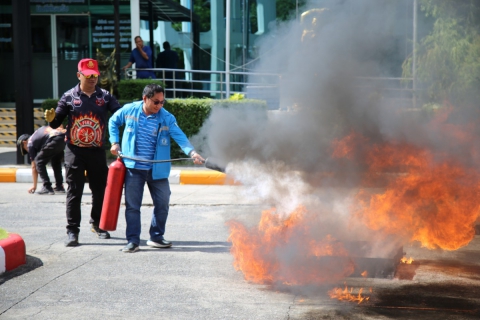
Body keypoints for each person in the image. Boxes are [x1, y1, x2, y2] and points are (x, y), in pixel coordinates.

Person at [108, 83, 204, 253]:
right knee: (132, 206)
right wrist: (114, 142)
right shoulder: (130, 110)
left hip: (157, 170)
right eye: (156, 102)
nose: (159, 106)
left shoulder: (166, 117)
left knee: (163, 203)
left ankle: (156, 237)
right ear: (145, 98)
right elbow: (113, 121)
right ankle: (133, 241)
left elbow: (180, 136)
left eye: (162, 102)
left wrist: (192, 152)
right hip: (134, 168)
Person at [44, 58, 122, 247]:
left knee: (100, 189)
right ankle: (73, 231)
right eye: (88, 76)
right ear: (79, 75)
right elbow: (56, 123)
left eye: (95, 75)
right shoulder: (69, 96)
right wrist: (52, 120)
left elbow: (119, 116)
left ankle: (98, 224)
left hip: (96, 151)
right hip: (74, 150)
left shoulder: (105, 96)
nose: (92, 79)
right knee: (74, 191)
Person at [16, 126, 66, 195]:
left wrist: (34, 186)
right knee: (56, 162)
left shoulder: (30, 143)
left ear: (24, 142)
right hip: (62, 138)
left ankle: (47, 187)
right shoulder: (37, 134)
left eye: (24, 148)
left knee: (39, 162)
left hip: (53, 140)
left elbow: (34, 167)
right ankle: (59, 186)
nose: (27, 150)